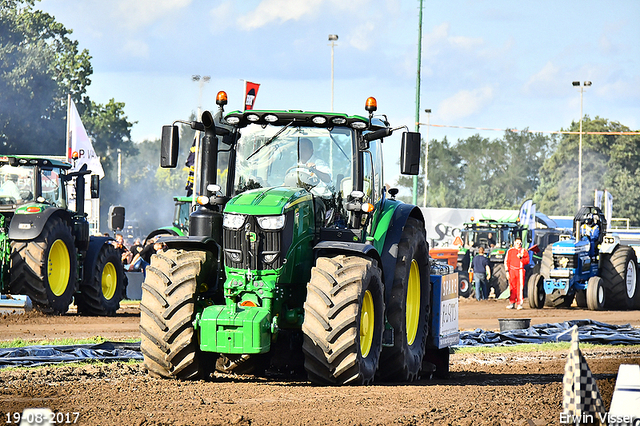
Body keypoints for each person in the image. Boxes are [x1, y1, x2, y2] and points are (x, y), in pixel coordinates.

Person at [504, 237, 529, 310]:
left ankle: (519, 303)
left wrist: (521, 258)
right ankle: (512, 303)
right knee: (512, 287)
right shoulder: (510, 251)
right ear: (514, 243)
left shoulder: (524, 251)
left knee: (520, 287)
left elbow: (527, 261)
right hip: (512, 271)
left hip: (520, 271)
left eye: (520, 243)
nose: (518, 244)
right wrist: (507, 271)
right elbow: (506, 261)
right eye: (517, 243)